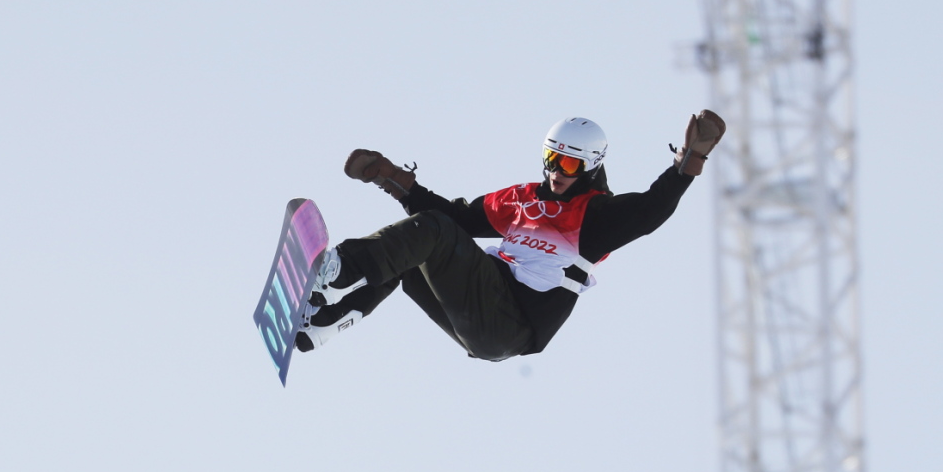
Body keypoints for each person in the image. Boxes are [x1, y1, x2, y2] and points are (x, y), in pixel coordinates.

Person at [295, 111, 726, 361]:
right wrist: (393, 180)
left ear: (591, 166)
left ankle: (339, 271)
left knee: (433, 233)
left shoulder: (597, 215)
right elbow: (455, 218)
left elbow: (652, 209)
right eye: (552, 159)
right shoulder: (523, 199)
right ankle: (323, 323)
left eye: (570, 165)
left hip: (511, 322)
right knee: (414, 252)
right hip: (481, 308)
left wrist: (689, 161)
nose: (557, 172)